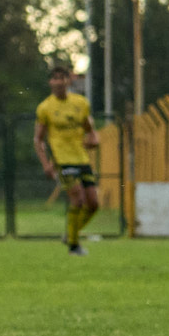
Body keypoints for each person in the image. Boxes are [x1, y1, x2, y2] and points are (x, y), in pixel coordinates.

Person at [34, 64, 103, 255]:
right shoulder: (45, 107)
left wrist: (93, 140)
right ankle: (74, 246)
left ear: (68, 81)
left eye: (62, 78)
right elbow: (38, 139)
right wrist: (46, 164)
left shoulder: (81, 103)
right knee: (78, 198)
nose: (58, 82)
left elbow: (91, 131)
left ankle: (71, 234)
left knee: (93, 204)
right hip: (62, 160)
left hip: (82, 159)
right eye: (54, 78)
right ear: (50, 82)